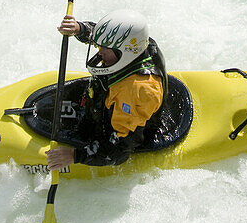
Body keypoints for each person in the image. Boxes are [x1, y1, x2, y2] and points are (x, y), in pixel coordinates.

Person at [46, 9, 167, 170]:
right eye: (99, 45)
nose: (99, 51)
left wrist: (74, 155)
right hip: (107, 103)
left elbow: (119, 149)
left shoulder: (140, 90)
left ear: (124, 52)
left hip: (124, 129)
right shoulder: (136, 43)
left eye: (105, 48)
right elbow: (107, 36)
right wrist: (79, 28)